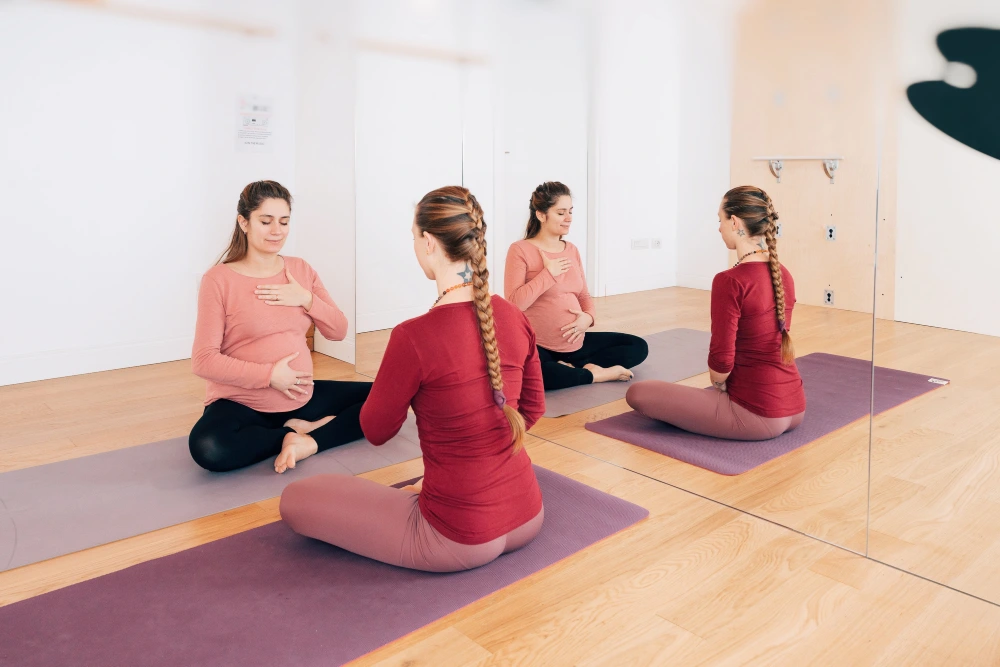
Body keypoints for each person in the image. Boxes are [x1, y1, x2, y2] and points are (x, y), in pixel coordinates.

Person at [280, 186, 546, 572]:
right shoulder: (512, 315)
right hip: (527, 515)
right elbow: (532, 410)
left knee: (297, 497)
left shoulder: (413, 335)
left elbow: (376, 430)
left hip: (455, 536)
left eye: (412, 238)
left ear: (427, 241)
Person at [188, 180, 371, 473]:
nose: (277, 231)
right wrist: (270, 375)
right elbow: (203, 361)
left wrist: (306, 299)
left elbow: (338, 331)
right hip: (242, 402)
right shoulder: (218, 280)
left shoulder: (300, 270)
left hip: (301, 396)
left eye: (284, 222)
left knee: (385, 399)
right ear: (243, 222)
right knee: (208, 447)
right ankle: (291, 435)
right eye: (266, 221)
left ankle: (308, 441)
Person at [625, 186, 806, 440]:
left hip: (756, 414)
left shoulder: (730, 280)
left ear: (734, 222)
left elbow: (721, 361)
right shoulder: (782, 273)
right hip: (795, 406)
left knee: (639, 393)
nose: (718, 227)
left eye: (720, 220)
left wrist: (719, 384)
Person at [504, 181, 648, 391]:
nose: (569, 218)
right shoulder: (520, 250)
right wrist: (549, 274)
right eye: (561, 212)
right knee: (531, 374)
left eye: (570, 211)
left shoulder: (571, 249)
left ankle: (573, 369)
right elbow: (515, 303)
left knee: (637, 347)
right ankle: (594, 375)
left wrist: (587, 318)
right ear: (541, 215)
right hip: (539, 345)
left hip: (575, 344)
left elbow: (584, 295)